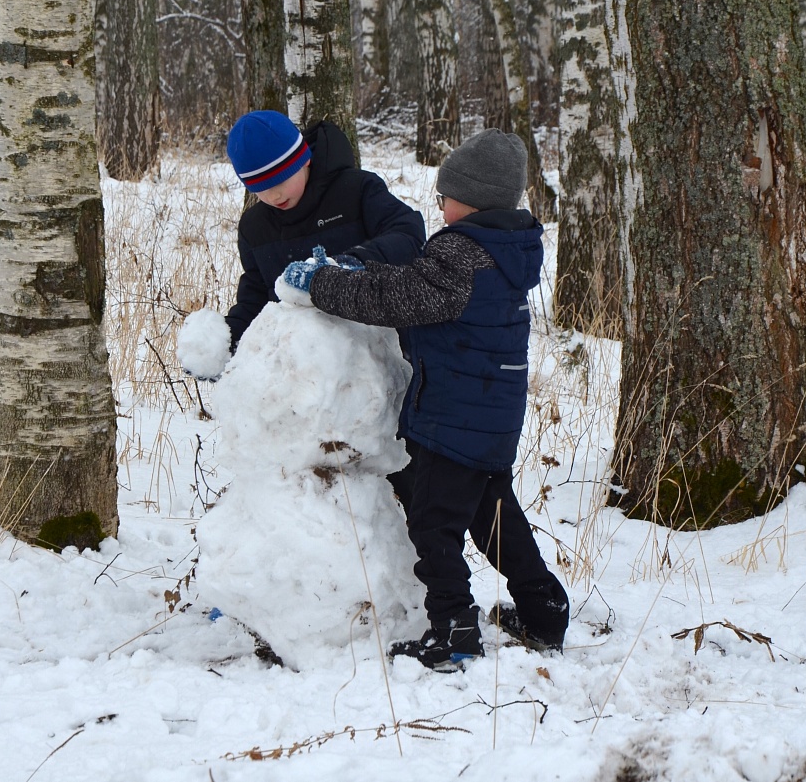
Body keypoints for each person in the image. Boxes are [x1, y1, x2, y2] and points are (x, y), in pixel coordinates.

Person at [279, 128, 570, 671]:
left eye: (444, 197)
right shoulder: (504, 252)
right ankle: (544, 606)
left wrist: (323, 285)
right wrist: (364, 266)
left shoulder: (461, 252)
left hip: (452, 420)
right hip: (491, 418)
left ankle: (454, 628)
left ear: (470, 200)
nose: (439, 206)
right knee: (494, 516)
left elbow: (401, 298)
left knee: (432, 527)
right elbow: (418, 283)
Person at [221, 109, 425, 350]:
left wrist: (354, 262)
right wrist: (227, 341)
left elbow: (408, 233)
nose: (274, 195)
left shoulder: (356, 191)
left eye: (280, 180)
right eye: (261, 188)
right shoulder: (254, 228)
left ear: (303, 159)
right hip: (301, 365)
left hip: (376, 352)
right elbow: (255, 295)